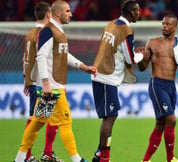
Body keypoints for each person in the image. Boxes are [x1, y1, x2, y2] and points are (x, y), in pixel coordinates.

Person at [14, 1, 97, 162]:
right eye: (67, 11)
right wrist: (45, 83)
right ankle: (76, 159)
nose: (71, 14)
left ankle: (19, 158)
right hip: (52, 87)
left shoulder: (58, 31)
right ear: (57, 13)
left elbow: (64, 54)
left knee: (36, 122)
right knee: (66, 122)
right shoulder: (48, 31)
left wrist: (82, 66)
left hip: (52, 85)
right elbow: (41, 56)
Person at [91, 0, 144, 162]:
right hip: (108, 75)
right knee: (111, 116)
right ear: (131, 12)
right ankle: (104, 156)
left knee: (110, 115)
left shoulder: (111, 24)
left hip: (100, 72)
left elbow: (117, 50)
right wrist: (141, 55)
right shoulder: (126, 29)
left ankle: (100, 154)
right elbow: (130, 58)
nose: (139, 13)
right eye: (137, 10)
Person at [138, 14, 178, 162]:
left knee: (160, 124)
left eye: (167, 24)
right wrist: (141, 58)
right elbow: (142, 68)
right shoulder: (152, 43)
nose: (164, 26)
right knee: (171, 120)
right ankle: (170, 158)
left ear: (175, 27)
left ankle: (145, 160)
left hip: (171, 86)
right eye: (163, 24)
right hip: (157, 84)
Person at [22, 2, 63, 162]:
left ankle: (46, 153)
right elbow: (38, 58)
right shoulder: (44, 33)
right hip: (42, 83)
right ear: (48, 15)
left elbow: (25, 59)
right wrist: (32, 81)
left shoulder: (31, 33)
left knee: (49, 118)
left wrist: (27, 79)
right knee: (35, 120)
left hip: (35, 81)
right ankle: (28, 155)